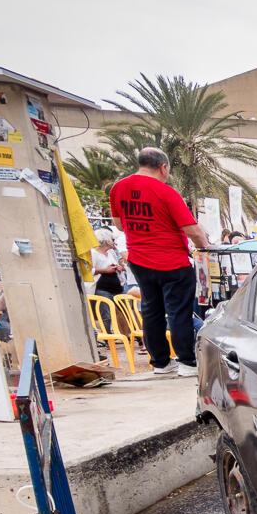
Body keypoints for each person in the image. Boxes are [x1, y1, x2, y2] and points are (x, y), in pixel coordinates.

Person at [108, 147, 209, 378]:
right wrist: (204, 247)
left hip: (139, 260)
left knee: (151, 310)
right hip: (172, 261)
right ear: (163, 167)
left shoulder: (118, 188)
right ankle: (187, 362)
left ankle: (161, 363)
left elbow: (119, 224)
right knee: (179, 311)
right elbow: (191, 229)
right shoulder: (166, 192)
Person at [89, 228, 128, 298]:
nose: (114, 242)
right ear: (106, 241)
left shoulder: (111, 252)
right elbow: (89, 271)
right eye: (112, 240)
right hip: (101, 288)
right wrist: (105, 270)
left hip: (117, 288)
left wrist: (118, 268)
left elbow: (117, 264)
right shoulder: (93, 253)